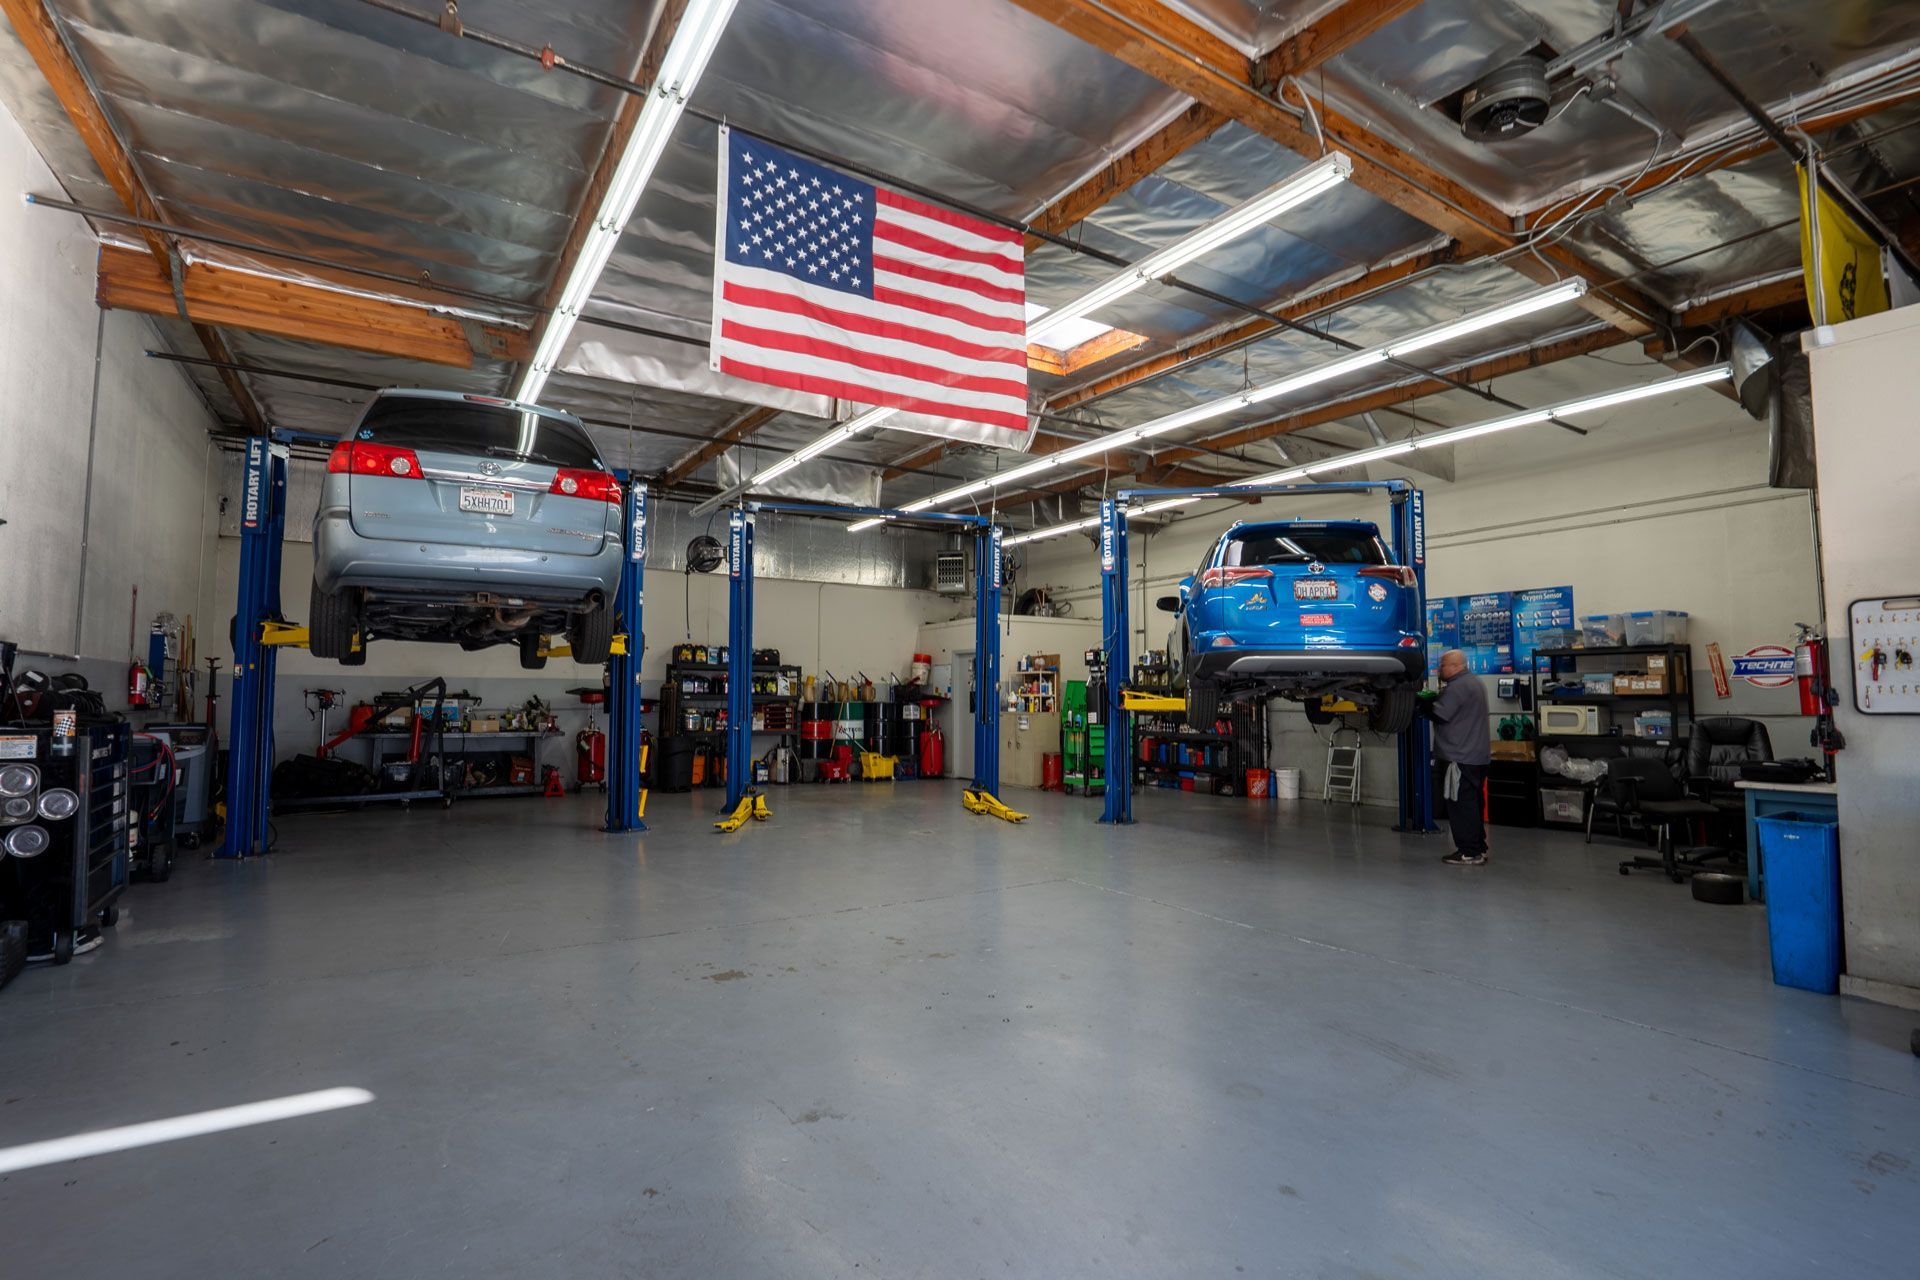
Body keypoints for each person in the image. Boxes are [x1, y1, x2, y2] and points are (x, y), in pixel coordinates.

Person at [1424, 649, 1491, 866]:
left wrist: (1423, 705)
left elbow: (1440, 714)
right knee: (1473, 803)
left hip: (1458, 758)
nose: (1439, 669)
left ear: (1455, 666)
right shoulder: (1474, 682)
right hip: (1476, 756)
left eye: (1442, 665)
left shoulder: (1457, 687)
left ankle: (1469, 852)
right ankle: (1478, 846)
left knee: (1460, 804)